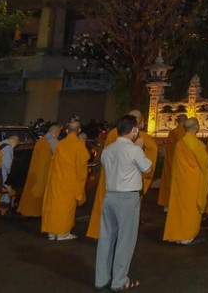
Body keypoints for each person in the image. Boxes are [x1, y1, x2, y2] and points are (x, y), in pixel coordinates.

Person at [94, 114, 152, 292]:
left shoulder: (108, 149)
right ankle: (119, 281)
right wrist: (140, 149)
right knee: (125, 240)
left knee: (106, 238)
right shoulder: (134, 150)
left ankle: (101, 278)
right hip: (127, 198)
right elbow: (148, 169)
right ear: (134, 130)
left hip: (110, 196)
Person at [88, 110, 156, 240]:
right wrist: (138, 150)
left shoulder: (114, 134)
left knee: (106, 212)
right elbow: (148, 165)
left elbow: (105, 154)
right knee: (125, 232)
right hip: (126, 187)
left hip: (110, 179)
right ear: (138, 124)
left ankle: (101, 232)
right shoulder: (138, 139)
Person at [163, 118, 208, 245]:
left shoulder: (180, 142)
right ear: (197, 127)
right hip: (192, 182)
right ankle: (186, 236)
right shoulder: (195, 143)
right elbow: (205, 162)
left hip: (179, 181)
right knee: (190, 208)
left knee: (179, 207)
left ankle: (176, 234)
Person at [41, 121, 89, 241]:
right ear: (79, 130)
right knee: (65, 207)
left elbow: (53, 161)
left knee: (54, 206)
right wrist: (81, 183)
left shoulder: (60, 144)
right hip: (69, 182)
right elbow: (82, 168)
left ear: (67, 130)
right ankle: (62, 233)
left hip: (56, 180)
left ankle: (52, 232)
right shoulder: (79, 146)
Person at [18, 124, 60, 218]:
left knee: (32, 189)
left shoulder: (41, 140)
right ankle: (37, 211)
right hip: (45, 170)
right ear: (56, 132)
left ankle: (28, 210)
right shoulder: (53, 141)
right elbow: (59, 155)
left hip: (35, 169)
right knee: (41, 191)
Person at [157, 114, 188, 210]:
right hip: (180, 163)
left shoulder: (172, 133)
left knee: (168, 182)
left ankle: (167, 205)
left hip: (170, 161)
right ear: (185, 122)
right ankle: (177, 204)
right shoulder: (184, 134)